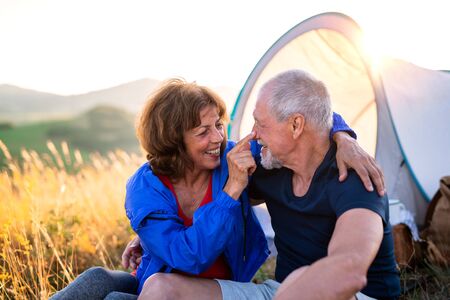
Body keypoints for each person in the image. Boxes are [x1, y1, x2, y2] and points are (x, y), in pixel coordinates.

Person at [51, 78, 383, 299]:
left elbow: (307, 118)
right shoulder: (145, 189)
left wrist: (343, 136)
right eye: (202, 131)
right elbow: (186, 257)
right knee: (101, 282)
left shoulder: (233, 159)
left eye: (219, 125)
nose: (219, 138)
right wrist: (228, 194)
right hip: (172, 276)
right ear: (173, 140)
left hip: (219, 286)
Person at [221, 69, 401, 300]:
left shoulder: (356, 175)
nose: (254, 134)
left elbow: (348, 272)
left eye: (260, 124)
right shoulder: (269, 162)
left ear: (296, 125)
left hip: (355, 295)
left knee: (302, 277)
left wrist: (342, 136)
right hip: (280, 291)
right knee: (165, 288)